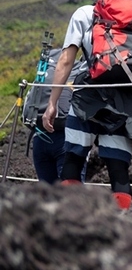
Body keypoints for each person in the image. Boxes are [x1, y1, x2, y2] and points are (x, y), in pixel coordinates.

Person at [41, 0, 132, 210]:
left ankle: (72, 218)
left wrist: (52, 103)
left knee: (73, 160)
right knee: (118, 170)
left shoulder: (85, 13)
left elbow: (66, 60)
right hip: (126, 103)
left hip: (88, 96)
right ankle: (122, 227)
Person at [27, 49, 88, 183]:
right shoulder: (82, 71)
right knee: (73, 196)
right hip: (67, 139)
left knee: (48, 197)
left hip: (39, 136)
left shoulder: (48, 68)